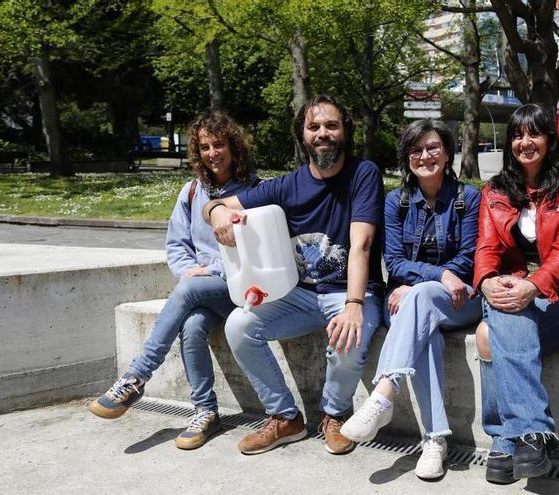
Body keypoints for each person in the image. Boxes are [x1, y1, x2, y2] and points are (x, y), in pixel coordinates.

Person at [203, 95, 384, 456]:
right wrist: (218, 211)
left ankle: (333, 415)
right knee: (239, 324)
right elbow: (216, 205)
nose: (323, 133)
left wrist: (352, 305)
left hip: (348, 290)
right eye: (313, 127)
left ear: (344, 130)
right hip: (299, 295)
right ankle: (285, 417)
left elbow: (361, 244)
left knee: (354, 333)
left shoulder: (363, 174)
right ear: (302, 135)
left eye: (331, 125)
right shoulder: (288, 185)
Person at [88, 110, 260, 450]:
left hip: (242, 288)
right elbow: (176, 244)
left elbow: (257, 254)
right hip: (202, 292)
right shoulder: (192, 191)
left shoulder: (256, 190)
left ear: (234, 147)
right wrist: (188, 271)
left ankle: (137, 375)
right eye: (205, 146)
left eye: (220, 144)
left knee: (191, 287)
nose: (213, 153)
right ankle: (205, 411)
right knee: (193, 326)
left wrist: (207, 271)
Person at [338, 120, 481, 479]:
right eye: (416, 150)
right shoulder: (396, 202)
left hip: (460, 300)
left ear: (447, 153)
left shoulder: (468, 197)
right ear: (407, 158)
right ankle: (435, 440)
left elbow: (468, 258)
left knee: (422, 298)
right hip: (408, 302)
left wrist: (429, 281)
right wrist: (432, 277)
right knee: (426, 335)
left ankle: (384, 393)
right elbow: (394, 261)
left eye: (433, 148)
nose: (425, 156)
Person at [472, 103, 559, 484]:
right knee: (495, 323)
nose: (525, 142)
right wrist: (487, 280)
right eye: (518, 135)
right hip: (510, 292)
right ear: (509, 143)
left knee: (491, 334)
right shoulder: (493, 190)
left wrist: (533, 286)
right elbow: (486, 246)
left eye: (534, 134)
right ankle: (530, 436)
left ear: (549, 140)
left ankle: (508, 440)